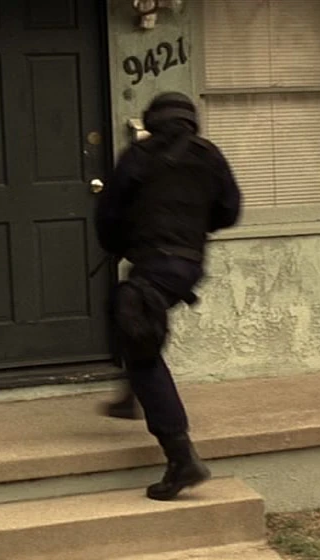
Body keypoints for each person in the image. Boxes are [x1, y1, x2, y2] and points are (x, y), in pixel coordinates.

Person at [94, 91, 242, 500]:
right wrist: (193, 225)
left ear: (152, 121)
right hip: (188, 263)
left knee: (138, 335)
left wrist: (121, 243)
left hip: (154, 264)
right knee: (130, 320)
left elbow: (108, 217)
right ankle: (129, 398)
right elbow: (230, 211)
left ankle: (181, 457)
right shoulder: (209, 155)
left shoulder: (138, 157)